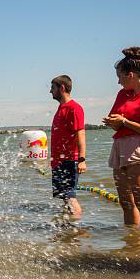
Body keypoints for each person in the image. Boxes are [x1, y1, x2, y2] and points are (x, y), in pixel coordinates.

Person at [102, 47, 140, 230]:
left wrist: (125, 122)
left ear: (131, 75)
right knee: (126, 202)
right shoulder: (123, 94)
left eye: (120, 76)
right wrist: (114, 122)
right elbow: (117, 120)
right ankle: (132, 244)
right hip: (120, 147)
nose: (118, 81)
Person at [49, 75, 86, 218]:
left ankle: (77, 228)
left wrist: (82, 159)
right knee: (64, 198)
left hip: (70, 160)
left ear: (62, 88)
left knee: (70, 197)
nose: (50, 92)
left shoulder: (74, 108)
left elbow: (80, 134)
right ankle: (69, 233)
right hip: (58, 161)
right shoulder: (61, 108)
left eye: (53, 88)